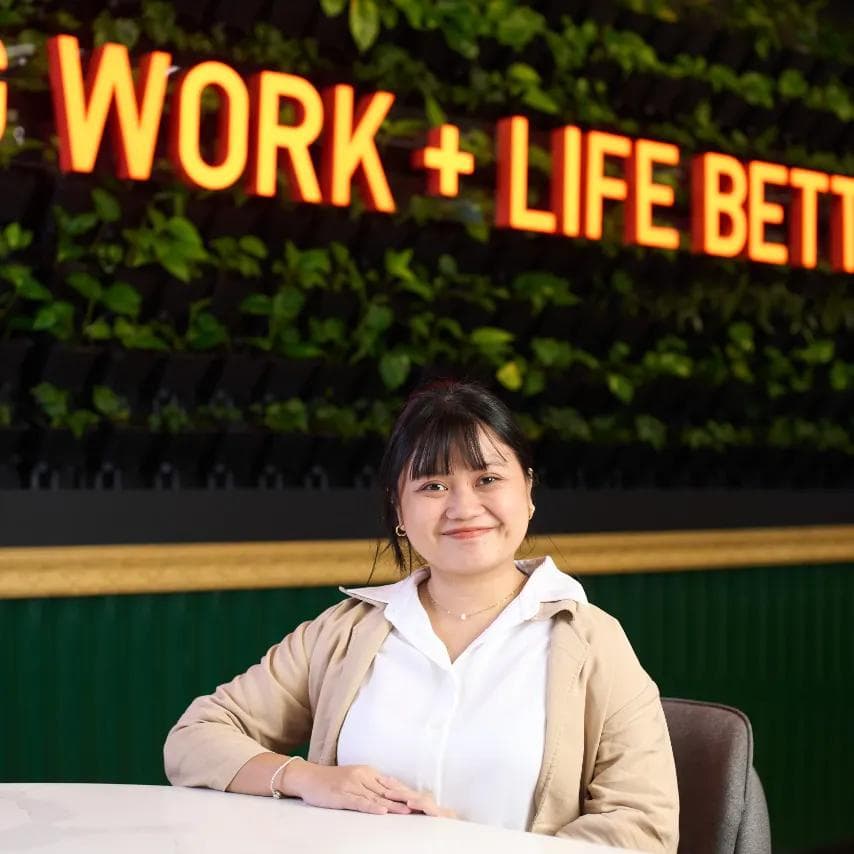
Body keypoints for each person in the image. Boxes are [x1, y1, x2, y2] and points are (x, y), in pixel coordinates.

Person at [164, 379, 679, 852]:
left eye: (487, 479)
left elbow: (641, 824)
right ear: (399, 511)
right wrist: (309, 779)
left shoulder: (591, 641)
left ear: (527, 490)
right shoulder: (346, 632)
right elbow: (195, 737)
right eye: (432, 485)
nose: (462, 506)